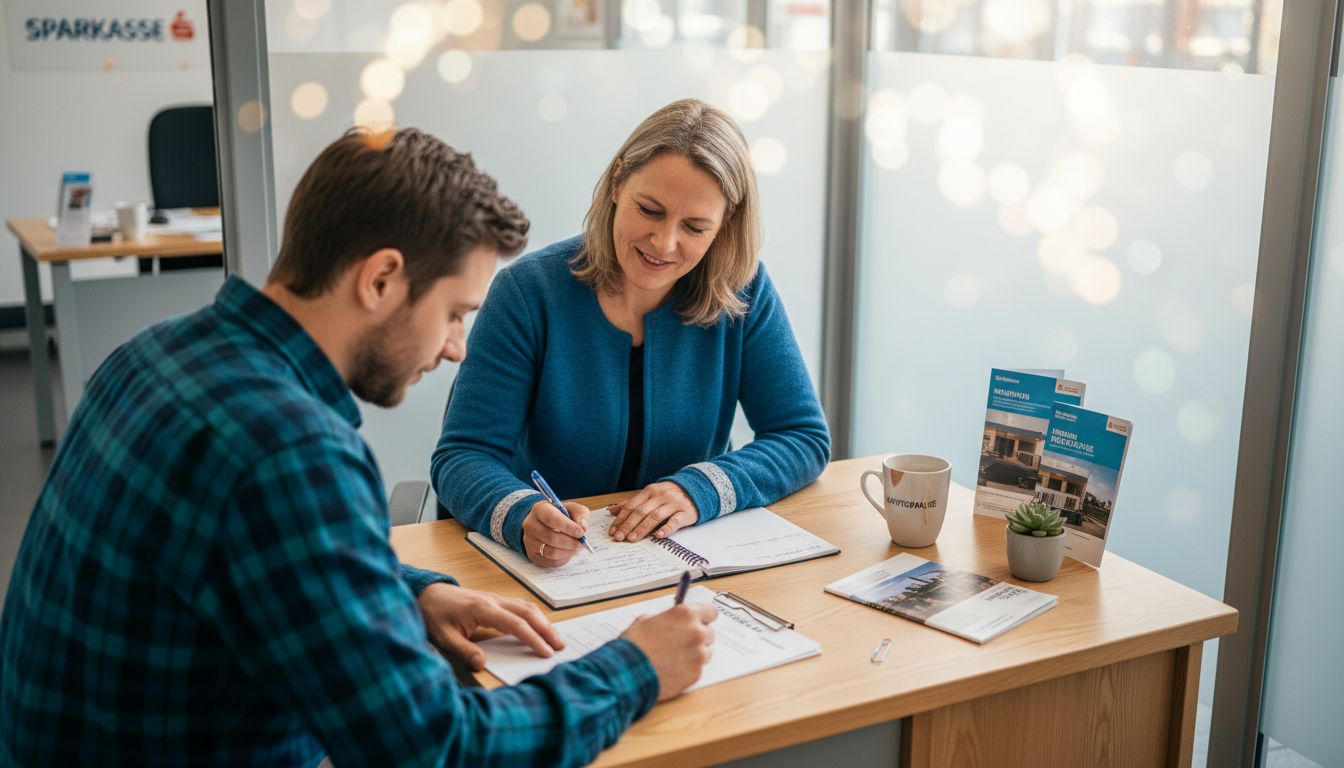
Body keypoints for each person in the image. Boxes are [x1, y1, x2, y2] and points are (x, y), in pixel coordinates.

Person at [0, 127, 717, 767]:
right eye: (455, 313)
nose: (456, 348)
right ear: (380, 279)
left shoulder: (153, 354)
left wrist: (411, 592)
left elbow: (256, 565)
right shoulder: (286, 450)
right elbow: (437, 747)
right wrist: (636, 667)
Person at [432, 99, 831, 567]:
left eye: (695, 227)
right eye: (650, 210)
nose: (664, 244)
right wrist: (522, 514)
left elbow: (802, 436)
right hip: (556, 569)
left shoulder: (743, 291)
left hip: (686, 564)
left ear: (726, 222)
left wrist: (700, 488)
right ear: (618, 182)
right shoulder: (528, 293)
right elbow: (463, 455)